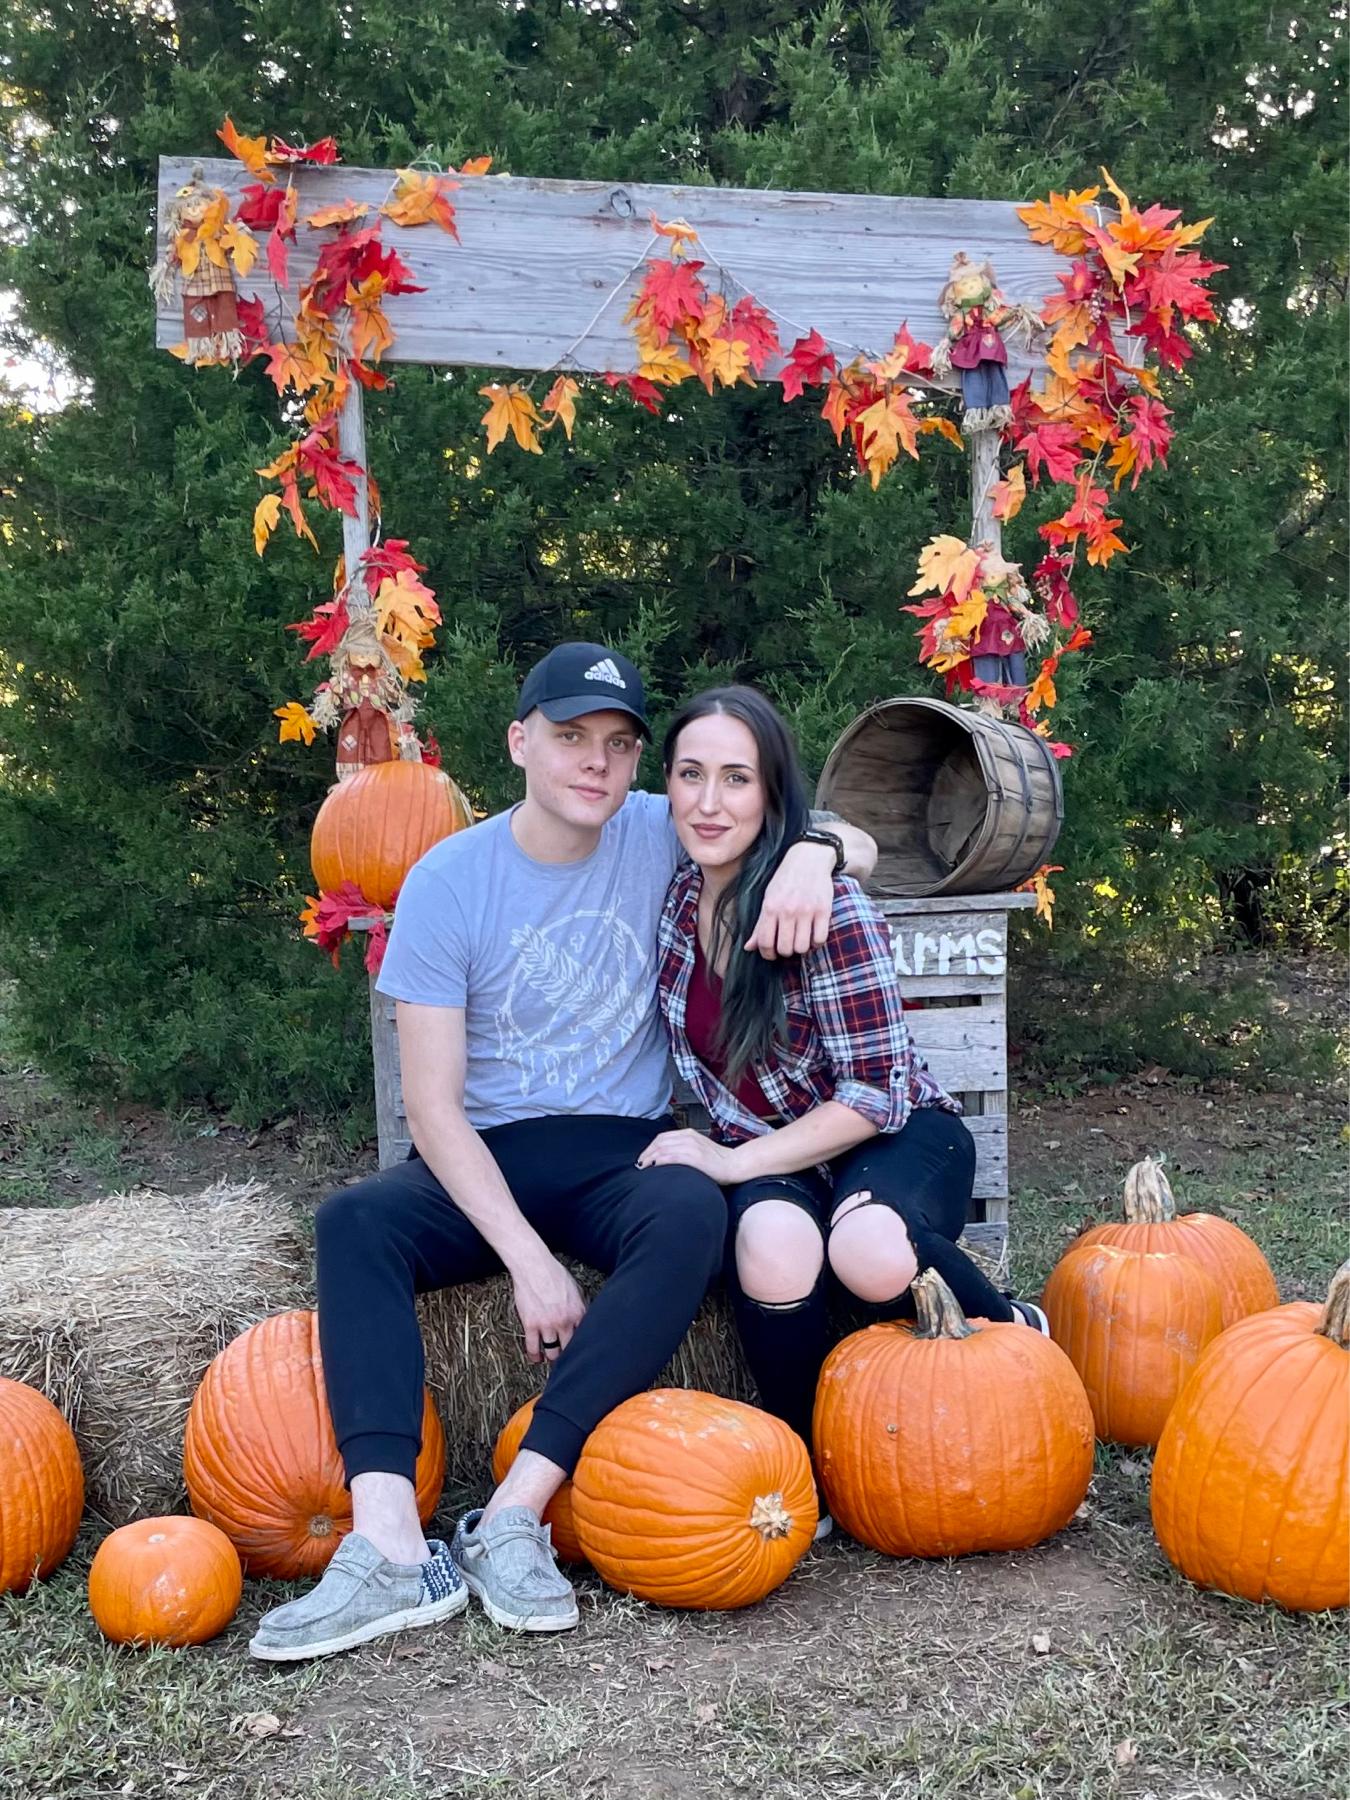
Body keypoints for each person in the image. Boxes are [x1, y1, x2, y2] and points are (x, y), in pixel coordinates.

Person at [248, 644, 876, 1661]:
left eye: (621, 746)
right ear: (519, 742)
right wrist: (530, 1262)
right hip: (486, 1152)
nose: (597, 764)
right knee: (354, 1223)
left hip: (613, 1153)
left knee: (689, 1211)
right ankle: (392, 1546)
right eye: (572, 739)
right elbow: (431, 1107)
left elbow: (814, 825)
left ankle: (513, 1516)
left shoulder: (656, 831)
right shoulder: (450, 879)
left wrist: (819, 855)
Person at [639, 685, 1049, 1462]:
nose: (709, 801)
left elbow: (875, 1093)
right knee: (769, 1239)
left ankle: (1014, 1336)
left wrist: (730, 1162)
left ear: (771, 791)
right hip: (780, 1148)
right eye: (690, 775)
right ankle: (805, 1457)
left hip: (896, 1135)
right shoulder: (680, 896)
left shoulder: (827, 910)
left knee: (865, 1249)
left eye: (737, 777)